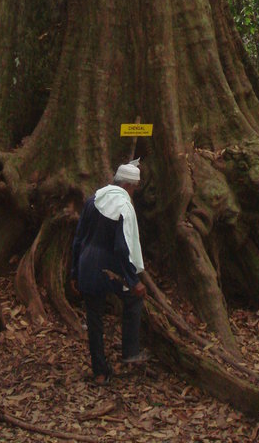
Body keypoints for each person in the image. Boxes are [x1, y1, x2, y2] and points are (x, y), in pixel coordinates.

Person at [71, 158, 148, 384]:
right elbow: (122, 248)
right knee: (133, 301)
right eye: (134, 188)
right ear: (128, 186)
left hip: (86, 266)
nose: (134, 192)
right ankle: (130, 351)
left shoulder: (93, 199)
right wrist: (134, 281)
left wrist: (75, 272)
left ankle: (100, 372)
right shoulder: (123, 206)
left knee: (94, 319)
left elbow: (78, 239)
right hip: (109, 270)